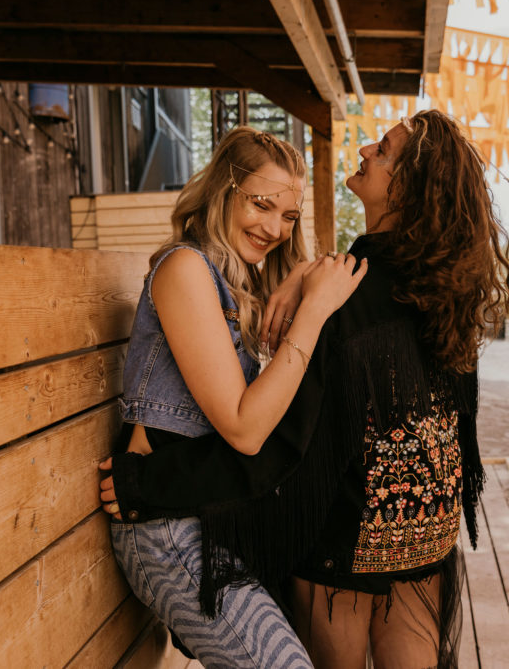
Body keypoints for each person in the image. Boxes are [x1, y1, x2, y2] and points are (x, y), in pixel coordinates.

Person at [104, 110, 509, 668]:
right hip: (425, 532)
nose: (366, 149)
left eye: (385, 149)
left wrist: (148, 481)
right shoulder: (445, 293)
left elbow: (288, 442)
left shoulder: (342, 298)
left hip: (343, 540)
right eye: (262, 204)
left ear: (409, 187)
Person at [99, 126, 367, 669]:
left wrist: (298, 282)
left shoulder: (239, 282)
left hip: (216, 520)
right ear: (224, 191)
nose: (273, 228)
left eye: (287, 217)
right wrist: (312, 311)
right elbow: (245, 429)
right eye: (261, 205)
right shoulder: (185, 270)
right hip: (169, 531)